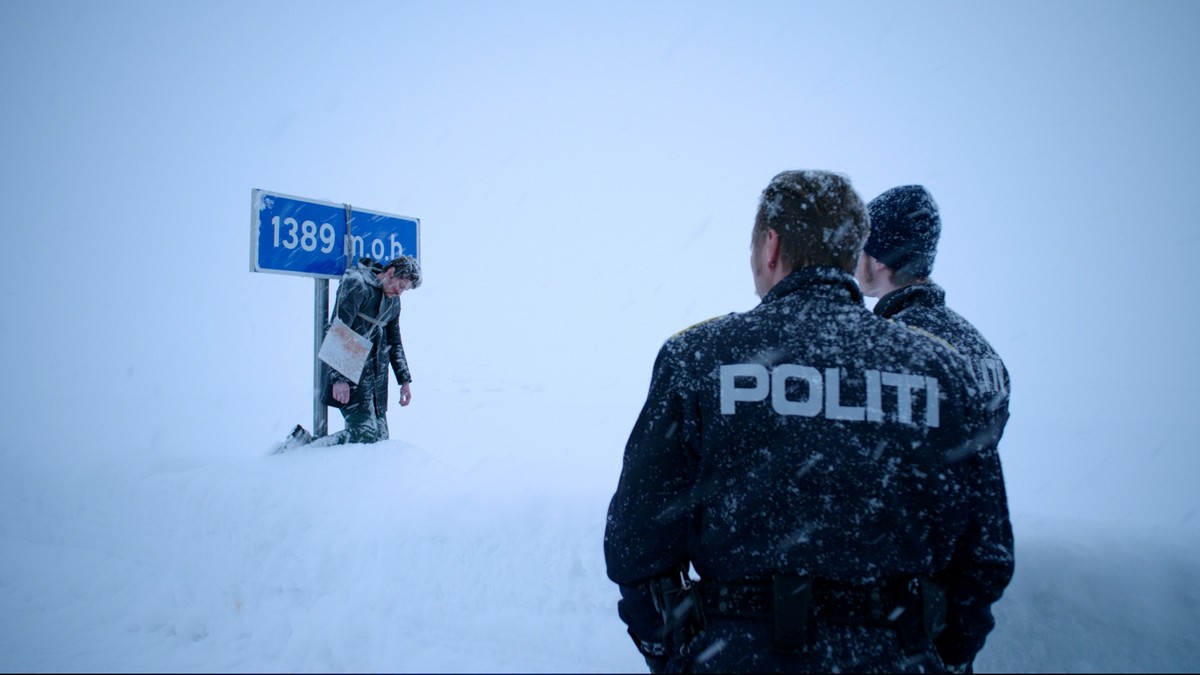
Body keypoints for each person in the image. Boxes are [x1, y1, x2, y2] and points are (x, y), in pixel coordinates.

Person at [604, 170, 1010, 673]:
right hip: (896, 656)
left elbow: (636, 544)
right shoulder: (940, 370)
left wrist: (682, 653)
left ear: (770, 246)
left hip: (737, 656)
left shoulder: (701, 358)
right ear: (850, 250)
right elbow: (985, 552)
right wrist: (929, 650)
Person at [856, 184, 1015, 672]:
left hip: (898, 611)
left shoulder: (894, 351)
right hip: (954, 599)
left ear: (879, 258)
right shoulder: (982, 350)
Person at [284, 255, 421, 449]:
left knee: (380, 440)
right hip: (349, 368)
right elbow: (339, 328)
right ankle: (305, 449)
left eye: (404, 289)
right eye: (400, 285)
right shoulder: (357, 283)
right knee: (364, 435)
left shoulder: (393, 302)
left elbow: (394, 341)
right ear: (390, 273)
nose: (400, 292)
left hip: (377, 376)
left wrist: (404, 380)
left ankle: (350, 472)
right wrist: (340, 378)